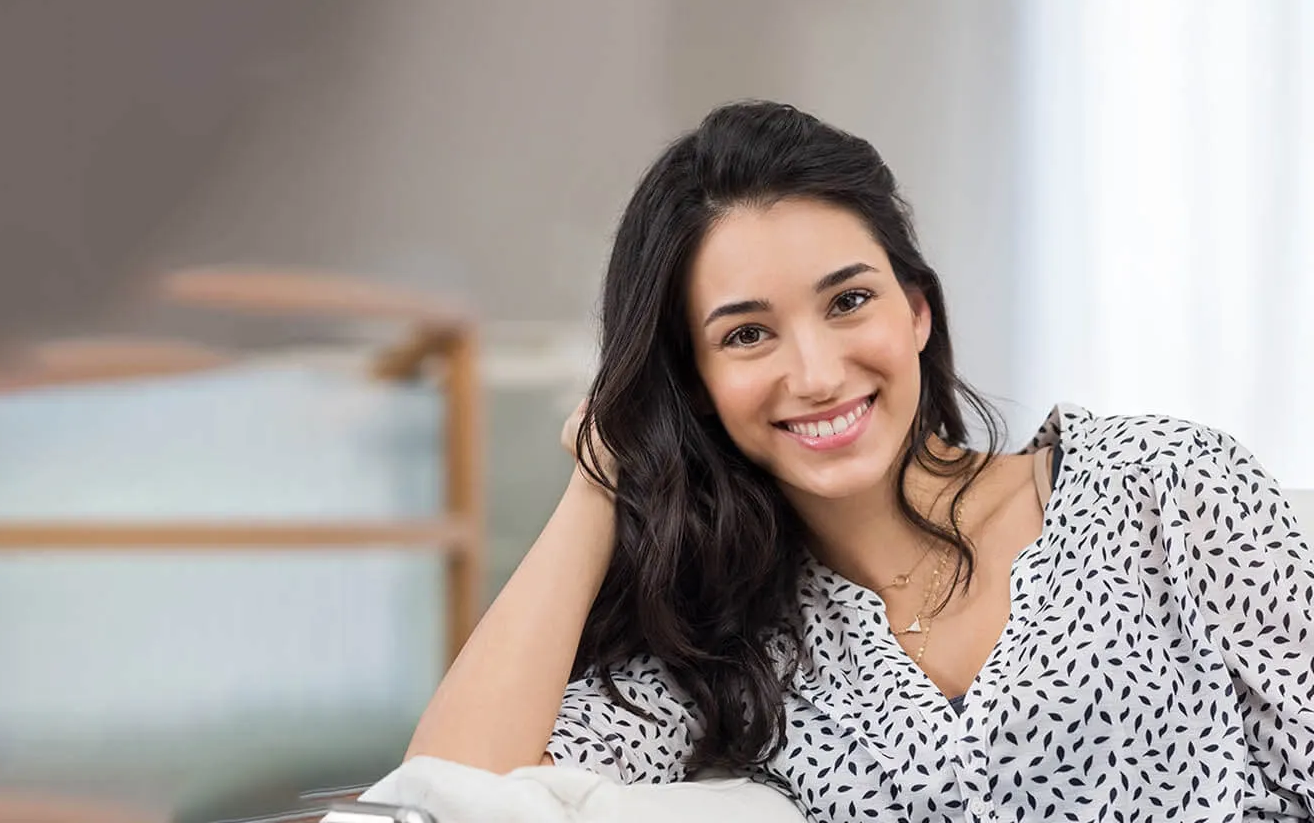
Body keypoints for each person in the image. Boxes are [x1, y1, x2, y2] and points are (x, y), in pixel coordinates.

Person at [404, 100, 1314, 820]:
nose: (816, 372)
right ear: (696, 381)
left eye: (848, 302)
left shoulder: (1164, 485)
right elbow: (448, 798)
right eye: (748, 333)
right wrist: (604, 471)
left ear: (915, 311)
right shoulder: (723, 643)